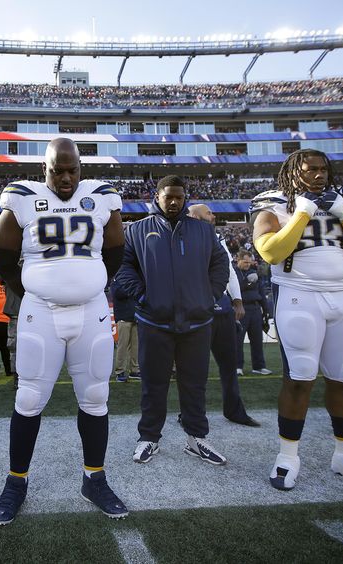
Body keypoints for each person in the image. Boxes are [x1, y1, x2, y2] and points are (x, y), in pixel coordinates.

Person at [0, 138, 127, 525]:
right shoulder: (22, 196)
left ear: (81, 168)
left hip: (92, 312)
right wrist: (34, 289)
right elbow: (3, 254)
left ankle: (94, 478)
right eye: (57, 170)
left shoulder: (101, 196)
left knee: (96, 396)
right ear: (43, 170)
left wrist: (92, 281)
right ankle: (16, 481)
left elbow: (115, 249)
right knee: (30, 397)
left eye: (72, 170)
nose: (66, 178)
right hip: (42, 313)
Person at [251, 148, 343, 492]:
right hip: (299, 294)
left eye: (322, 169)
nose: (318, 175)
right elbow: (270, 251)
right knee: (300, 377)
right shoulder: (272, 202)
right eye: (310, 169)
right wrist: (302, 213)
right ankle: (288, 456)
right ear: (292, 172)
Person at [118, 176, 230, 467]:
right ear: (157, 196)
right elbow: (124, 266)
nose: (174, 202)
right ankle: (149, 437)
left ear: (185, 198)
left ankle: (196, 438)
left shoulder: (204, 231)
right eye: (168, 196)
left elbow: (220, 264)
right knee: (153, 384)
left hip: (196, 322)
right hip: (154, 321)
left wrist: (209, 295)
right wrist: (143, 296)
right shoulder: (137, 230)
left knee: (194, 384)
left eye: (179, 197)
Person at [187, 204, 259, 427]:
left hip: (223, 309)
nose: (214, 215)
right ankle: (190, 414)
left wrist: (237, 300)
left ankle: (234, 410)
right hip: (198, 310)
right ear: (195, 217)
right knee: (194, 369)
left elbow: (228, 271)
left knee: (229, 365)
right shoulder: (183, 237)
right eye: (209, 213)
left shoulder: (217, 238)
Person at [234, 250, 272, 375]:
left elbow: (260, 292)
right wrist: (248, 282)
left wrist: (266, 311)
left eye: (249, 262)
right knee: (238, 340)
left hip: (255, 309)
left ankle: (259, 366)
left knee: (257, 339)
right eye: (245, 262)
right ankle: (237, 367)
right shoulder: (233, 273)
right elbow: (235, 289)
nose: (247, 265)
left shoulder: (253, 272)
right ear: (237, 259)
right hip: (241, 309)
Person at [110, 275, 139, 383]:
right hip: (123, 318)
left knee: (135, 346)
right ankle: (120, 371)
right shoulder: (116, 281)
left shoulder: (132, 280)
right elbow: (118, 294)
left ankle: (134, 370)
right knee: (122, 345)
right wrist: (132, 287)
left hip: (135, 317)